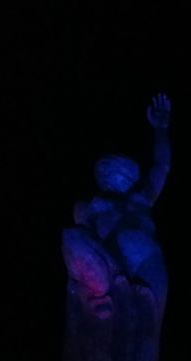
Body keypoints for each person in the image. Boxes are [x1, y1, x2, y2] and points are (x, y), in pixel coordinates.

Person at [62, 94, 172, 317]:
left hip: (146, 270)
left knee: (141, 331)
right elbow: (79, 238)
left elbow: (161, 166)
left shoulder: (139, 200)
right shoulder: (90, 207)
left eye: (120, 171)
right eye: (106, 170)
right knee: (74, 240)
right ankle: (99, 293)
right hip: (109, 272)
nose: (112, 176)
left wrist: (161, 128)